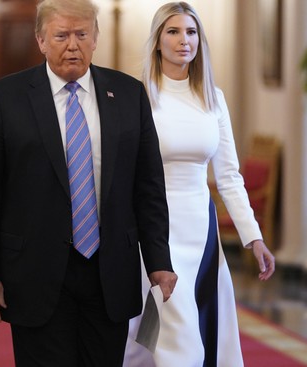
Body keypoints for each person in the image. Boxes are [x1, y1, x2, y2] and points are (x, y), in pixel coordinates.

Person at [0, 0, 178, 366]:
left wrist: (158, 259)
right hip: (34, 271)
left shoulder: (128, 95)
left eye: (82, 34)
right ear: (41, 41)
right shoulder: (6, 97)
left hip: (109, 270)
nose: (72, 45)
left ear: (96, 38)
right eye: (61, 35)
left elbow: (148, 187)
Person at [123, 2, 275, 367]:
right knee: (176, 339)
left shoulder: (213, 98)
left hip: (201, 229)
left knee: (197, 331)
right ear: (157, 41)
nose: (183, 40)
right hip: (155, 231)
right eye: (173, 32)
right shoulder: (138, 96)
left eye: (191, 32)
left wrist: (253, 237)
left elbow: (228, 177)